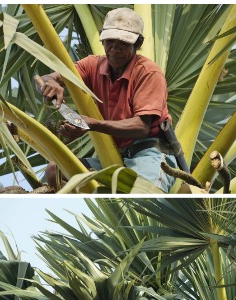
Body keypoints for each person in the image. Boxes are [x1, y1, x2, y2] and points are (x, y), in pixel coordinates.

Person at [37, 7, 175, 191]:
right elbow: (45, 78)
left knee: (144, 195)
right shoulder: (92, 65)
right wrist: (50, 82)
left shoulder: (148, 73)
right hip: (117, 156)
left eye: (123, 43)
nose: (114, 49)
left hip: (151, 153)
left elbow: (141, 127)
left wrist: (91, 124)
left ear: (138, 43)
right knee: (55, 171)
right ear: (102, 38)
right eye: (110, 41)